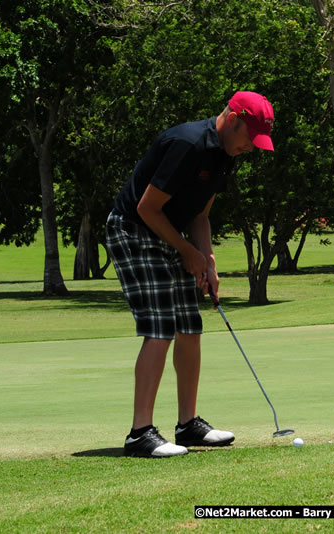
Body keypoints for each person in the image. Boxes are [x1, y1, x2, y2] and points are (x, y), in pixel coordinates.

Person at [105, 91, 275, 457]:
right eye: (250, 137)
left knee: (190, 326)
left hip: (167, 232)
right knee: (160, 326)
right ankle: (140, 433)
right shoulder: (188, 144)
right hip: (132, 229)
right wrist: (187, 252)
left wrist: (207, 260)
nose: (251, 147)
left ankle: (188, 426)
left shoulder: (225, 156)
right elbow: (147, 208)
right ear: (232, 120)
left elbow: (199, 214)